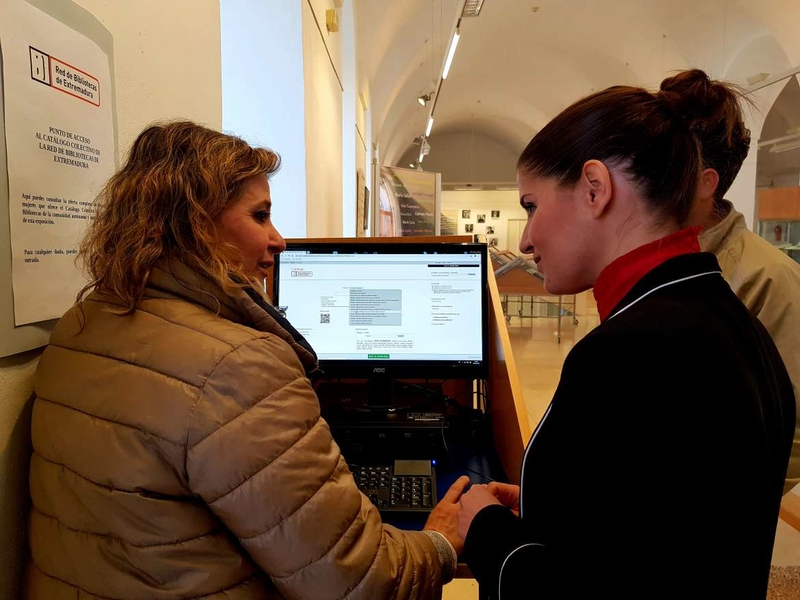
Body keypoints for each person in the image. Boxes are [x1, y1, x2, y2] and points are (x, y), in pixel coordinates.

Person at [26, 121, 469, 599]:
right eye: (260, 216)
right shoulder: (238, 367)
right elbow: (359, 583)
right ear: (196, 224)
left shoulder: (80, 324)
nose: (278, 240)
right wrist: (440, 541)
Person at [455, 72, 795, 599]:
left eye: (531, 205)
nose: (524, 240)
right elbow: (659, 537)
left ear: (595, 188)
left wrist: (482, 527)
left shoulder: (625, 355)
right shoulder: (735, 322)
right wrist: (555, 505)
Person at [660, 69, 800, 495]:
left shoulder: (769, 279)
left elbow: (788, 437)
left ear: (705, 183)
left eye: (657, 169)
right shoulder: (659, 261)